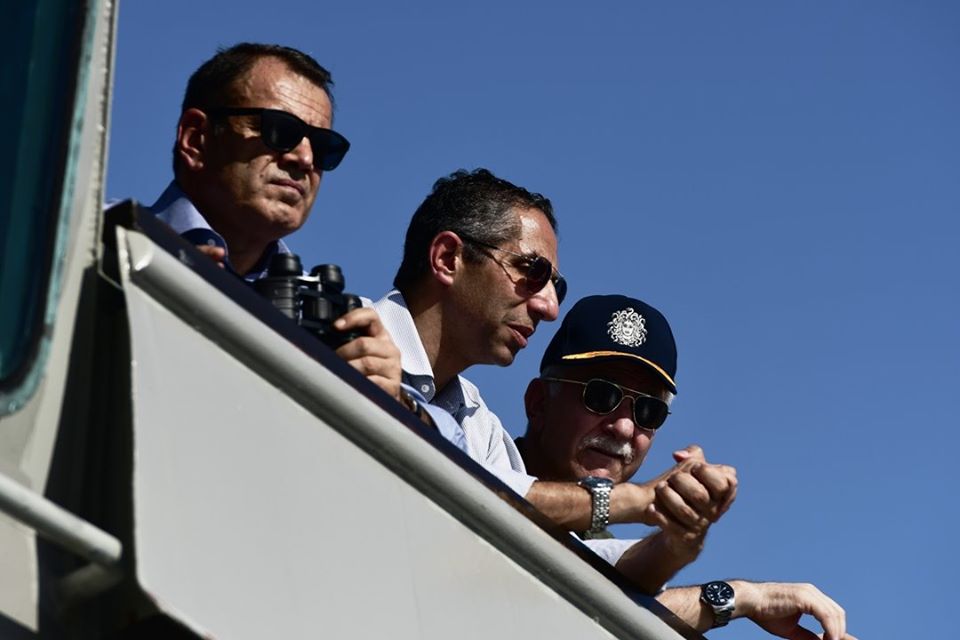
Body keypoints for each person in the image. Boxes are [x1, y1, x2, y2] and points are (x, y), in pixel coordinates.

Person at [374, 169, 737, 592]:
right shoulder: (331, 337)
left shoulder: (473, 419)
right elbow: (474, 490)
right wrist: (636, 500)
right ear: (448, 258)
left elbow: (562, 548)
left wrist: (680, 537)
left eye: (649, 410)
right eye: (531, 271)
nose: (549, 308)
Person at [518, 294, 856, 640]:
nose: (624, 427)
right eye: (601, 395)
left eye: (648, 411)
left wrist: (684, 540)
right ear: (538, 402)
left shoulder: (598, 541)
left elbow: (604, 607)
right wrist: (643, 500)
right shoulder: (484, 451)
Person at [145, 42, 407, 414]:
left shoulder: (327, 321)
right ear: (196, 138)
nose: (305, 158)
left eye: (323, 147)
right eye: (280, 131)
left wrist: (393, 403)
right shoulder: (90, 241)